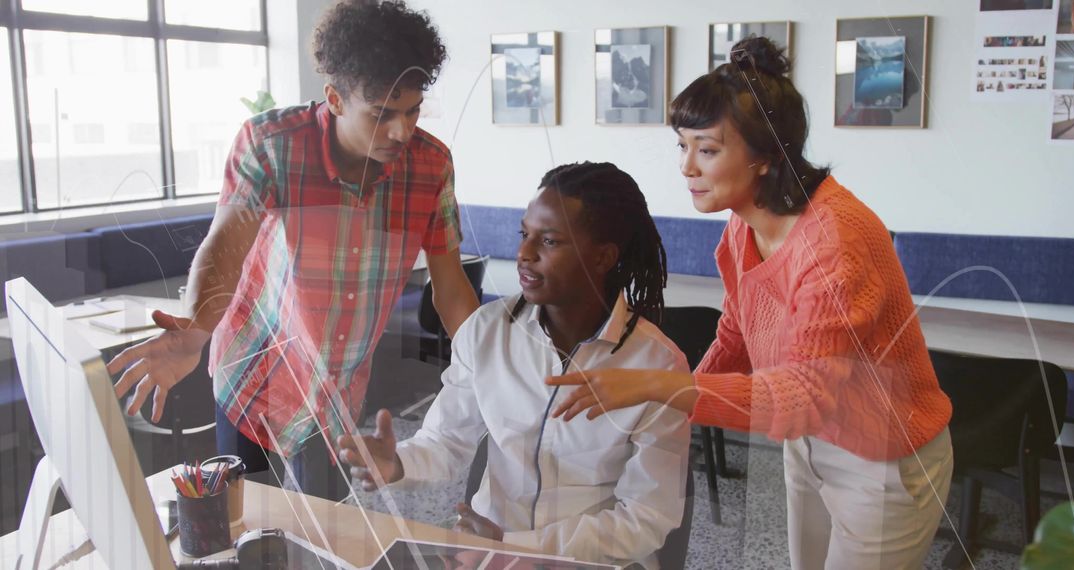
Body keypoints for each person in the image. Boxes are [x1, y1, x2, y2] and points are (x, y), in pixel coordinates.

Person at [548, 37, 954, 570]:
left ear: (764, 157)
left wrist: (657, 386)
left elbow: (805, 393)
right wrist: (671, 413)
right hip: (808, 441)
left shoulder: (834, 239)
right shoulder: (742, 229)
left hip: (883, 453)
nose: (687, 167)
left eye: (707, 149)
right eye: (683, 145)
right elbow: (737, 337)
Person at [107, 0, 479, 500]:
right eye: (382, 115)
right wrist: (195, 332)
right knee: (247, 524)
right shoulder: (270, 145)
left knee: (326, 530)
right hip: (253, 378)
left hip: (336, 395)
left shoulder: (431, 166)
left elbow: (451, 288)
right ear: (335, 98)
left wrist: (491, 367)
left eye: (412, 111)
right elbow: (225, 248)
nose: (402, 131)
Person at [338, 162, 691, 569]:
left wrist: (519, 547)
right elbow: (446, 442)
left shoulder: (656, 366)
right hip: (484, 552)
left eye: (549, 241)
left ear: (603, 257)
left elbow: (645, 518)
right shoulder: (487, 332)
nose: (523, 254)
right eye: (525, 234)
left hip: (590, 562)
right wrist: (397, 461)